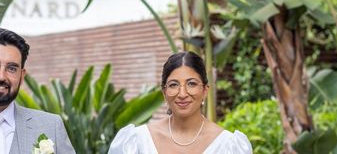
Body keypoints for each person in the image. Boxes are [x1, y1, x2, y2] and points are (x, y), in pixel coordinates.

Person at [108, 51, 252, 154]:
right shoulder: (136, 142)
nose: (182, 94)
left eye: (191, 84)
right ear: (164, 92)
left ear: (205, 90)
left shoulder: (230, 146)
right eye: (173, 85)